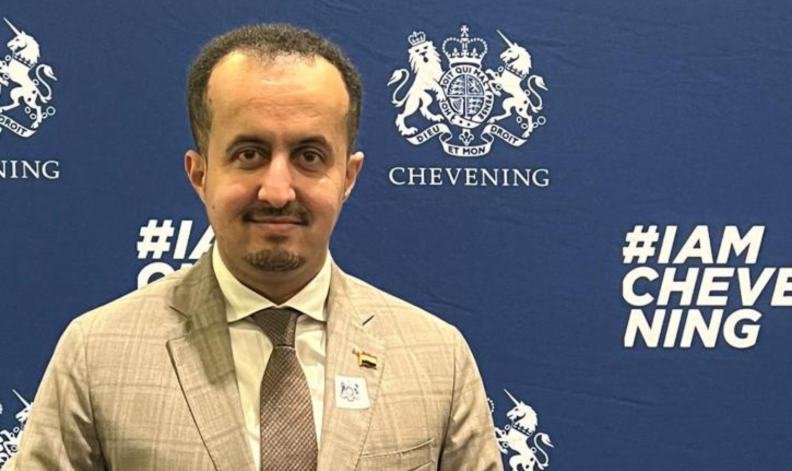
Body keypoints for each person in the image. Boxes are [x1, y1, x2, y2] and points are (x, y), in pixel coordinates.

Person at [5, 24, 502, 470]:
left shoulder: (438, 359)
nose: (278, 190)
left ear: (348, 177)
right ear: (199, 174)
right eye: (249, 154)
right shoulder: (96, 354)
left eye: (309, 156)